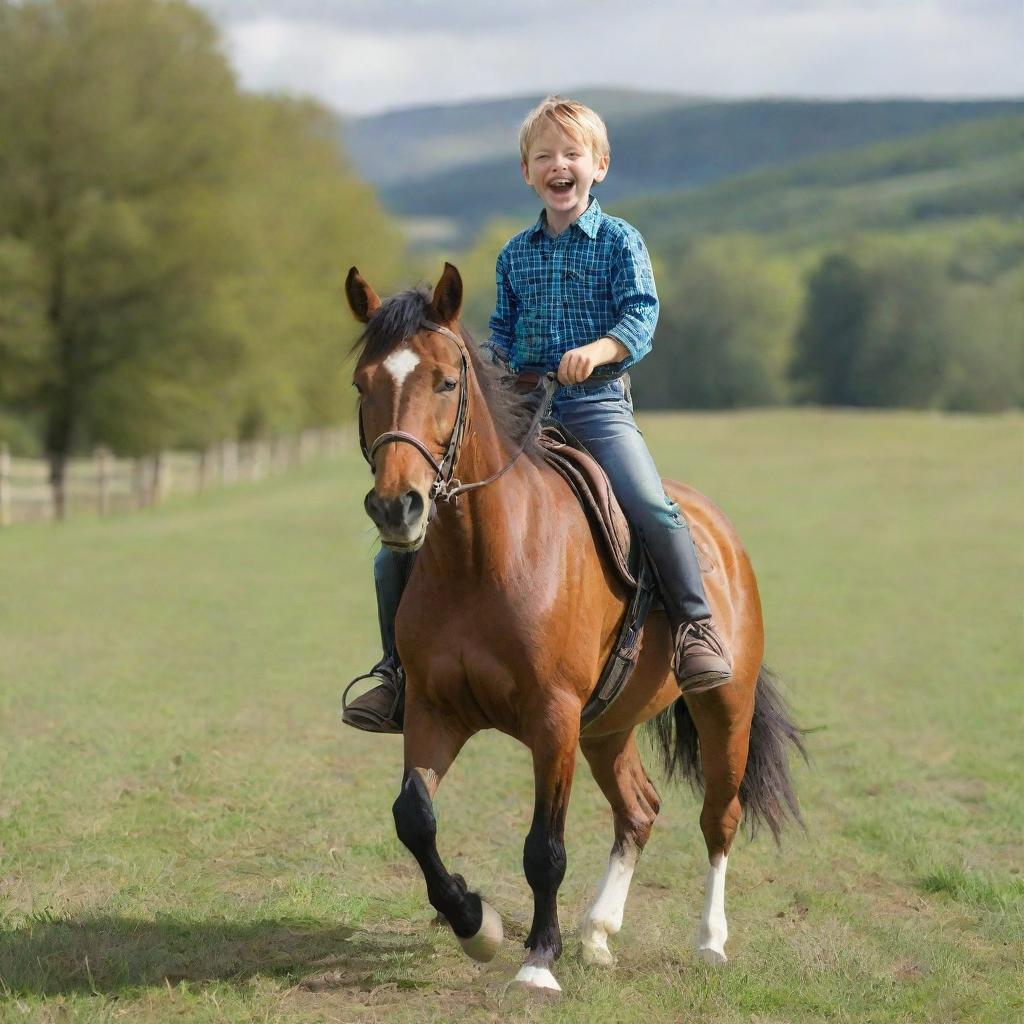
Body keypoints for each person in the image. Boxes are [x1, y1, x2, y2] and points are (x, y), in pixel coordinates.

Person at [342, 95, 731, 734]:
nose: (559, 165)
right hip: (521, 406)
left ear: (598, 165)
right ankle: (394, 672)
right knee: (411, 536)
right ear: (527, 171)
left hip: (598, 404)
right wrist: (478, 368)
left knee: (652, 504)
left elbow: (640, 317)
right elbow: (500, 332)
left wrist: (598, 351)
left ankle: (695, 629)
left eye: (572, 154)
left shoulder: (620, 241)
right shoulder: (515, 254)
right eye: (544, 155)